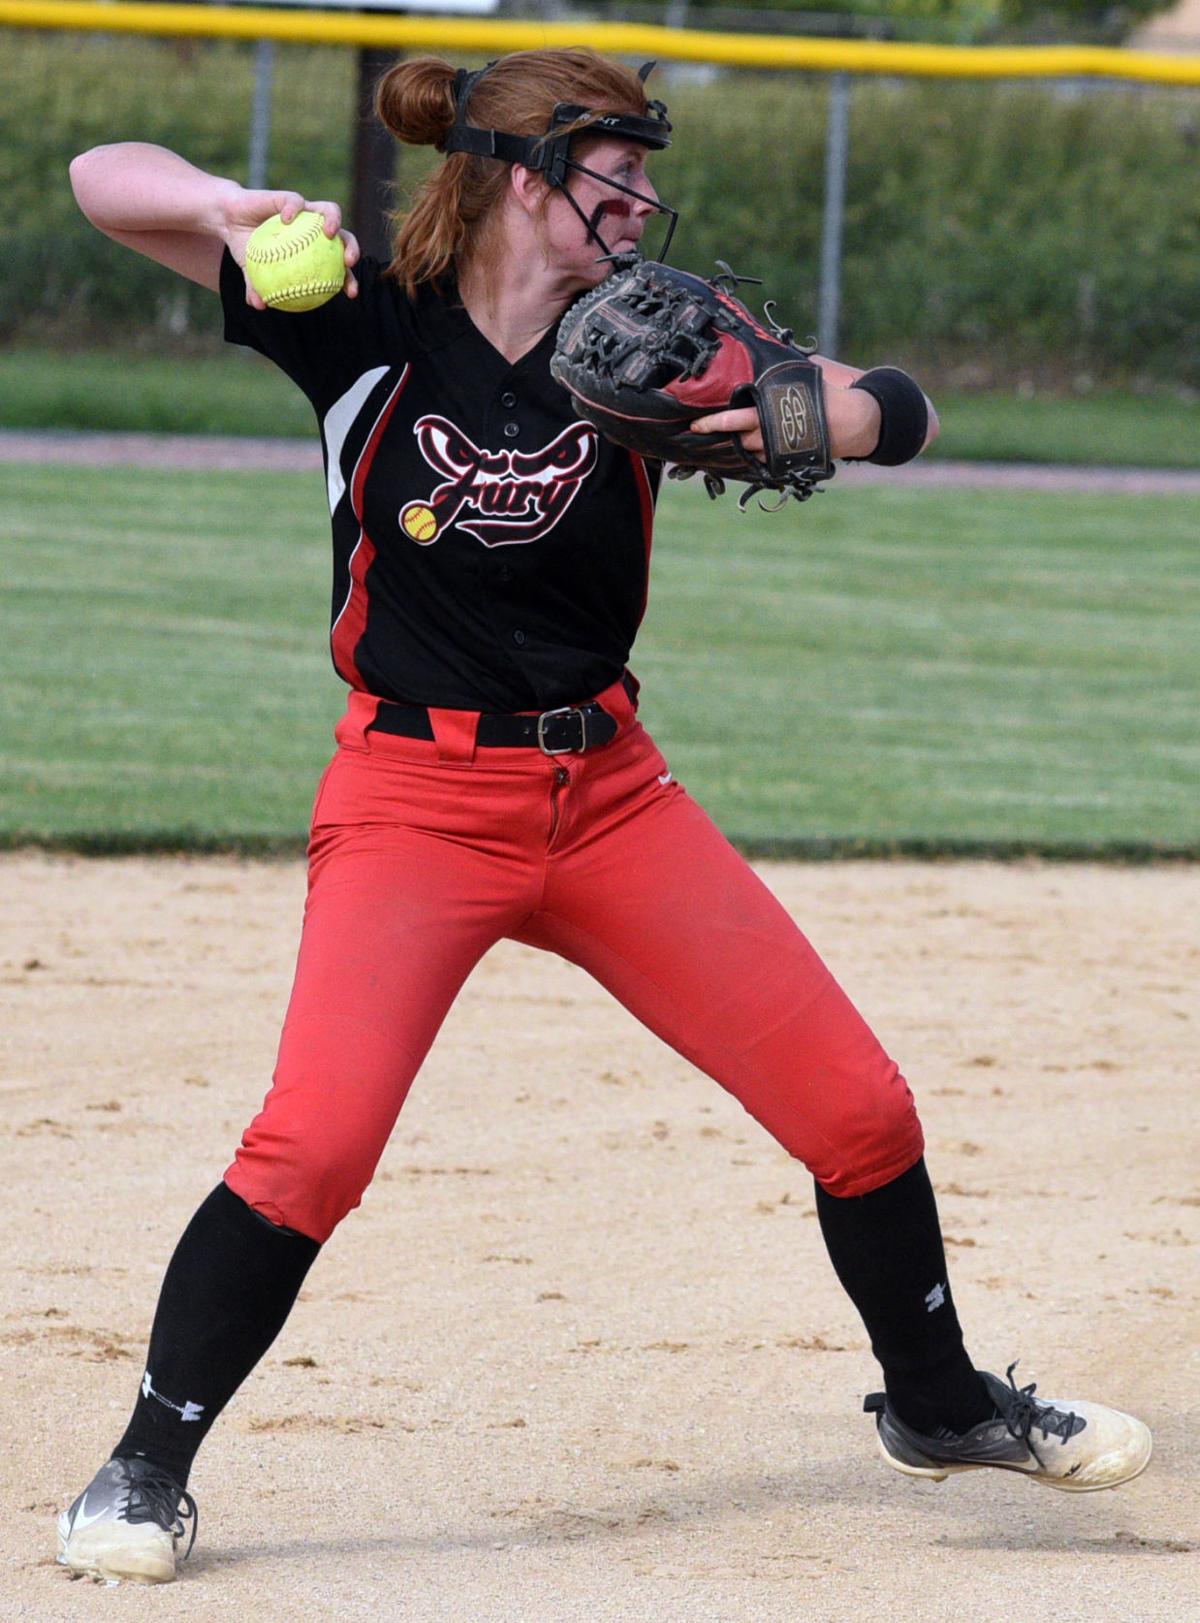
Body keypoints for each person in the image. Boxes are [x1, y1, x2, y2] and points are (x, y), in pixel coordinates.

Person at [59, 48, 1150, 1586]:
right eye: (613, 176)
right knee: (312, 1147)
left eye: (646, 178)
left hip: (610, 796)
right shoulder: (362, 318)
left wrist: (804, 418)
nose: (642, 204)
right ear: (523, 177)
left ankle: (940, 1403)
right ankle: (144, 1465)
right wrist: (230, 208)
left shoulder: (646, 337)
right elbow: (99, 179)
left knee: (860, 1112)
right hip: (414, 798)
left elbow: (899, 413)